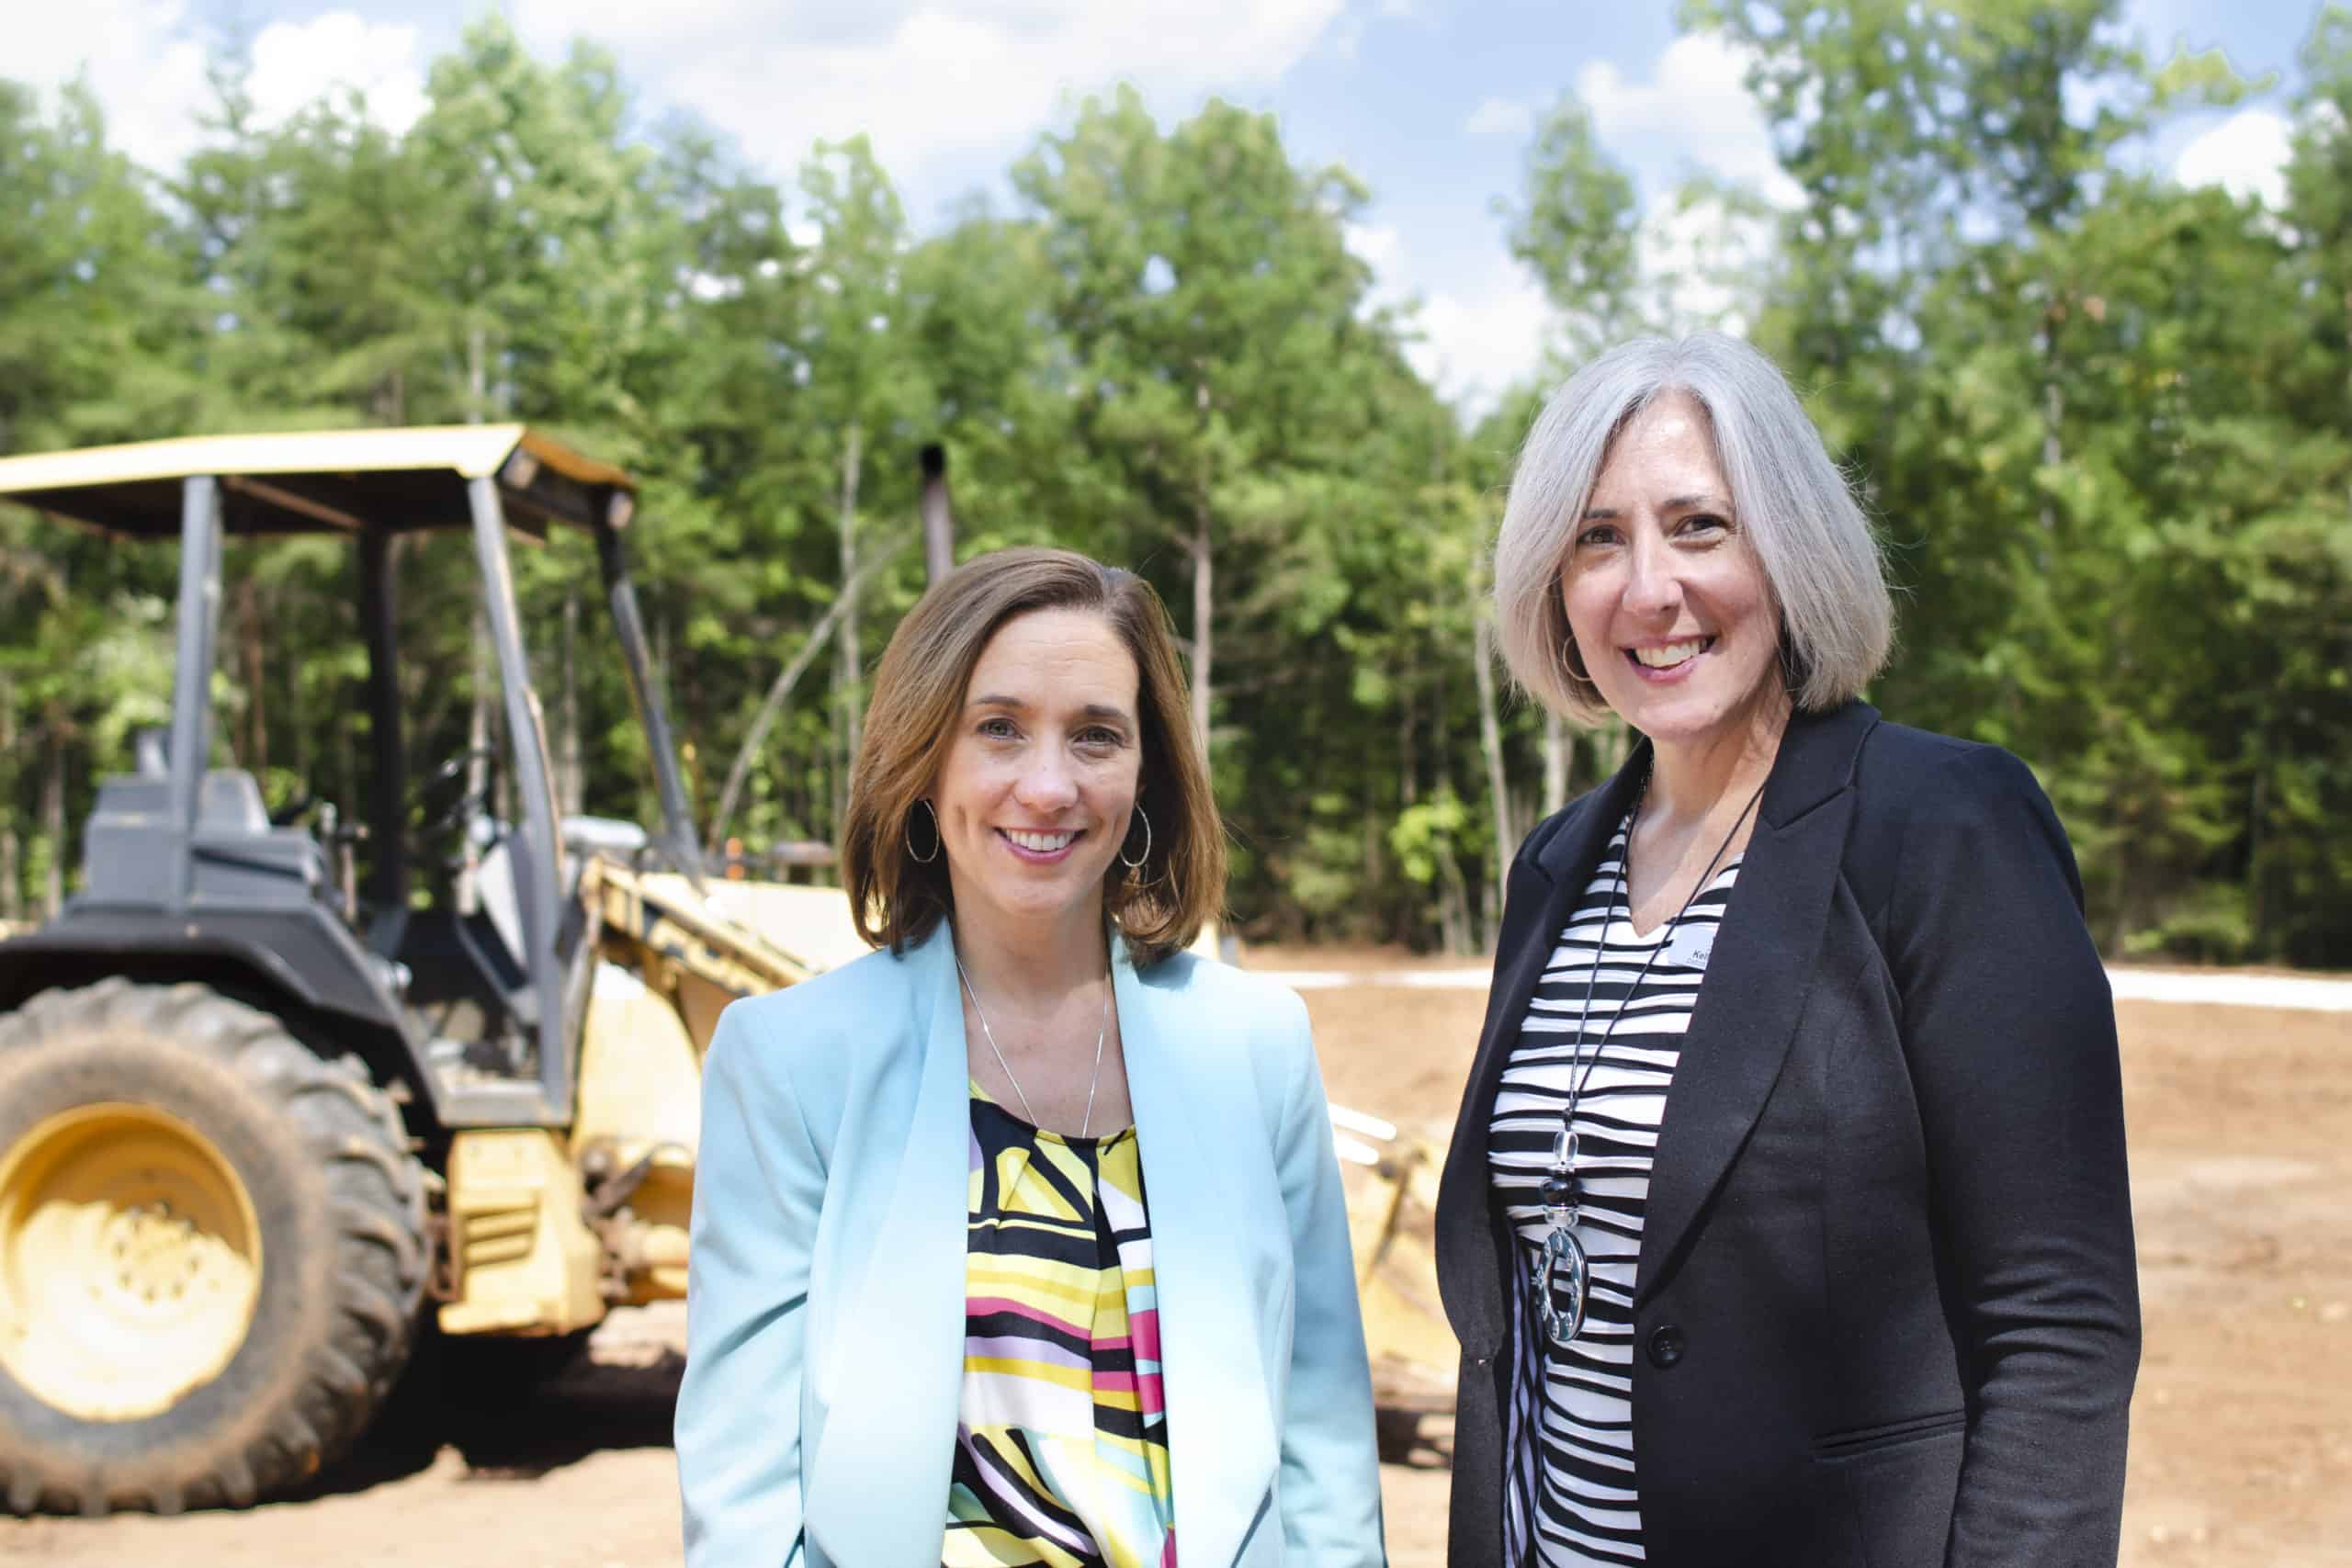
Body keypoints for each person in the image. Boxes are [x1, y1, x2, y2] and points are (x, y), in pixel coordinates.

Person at [1436, 333, 2140, 1568]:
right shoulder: (1553, 867)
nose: (1648, 587)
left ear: (1790, 544)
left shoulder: (1944, 827)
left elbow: (2059, 1324)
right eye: (1598, 537)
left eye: (1699, 525)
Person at [676, 547, 1385, 1567]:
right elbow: (743, 1502)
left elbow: (1323, 1452)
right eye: (997, 728)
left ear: (1146, 774)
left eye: (1095, 736)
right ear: (924, 759)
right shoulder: (787, 1064)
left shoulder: (1257, 1049)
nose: (1048, 786)